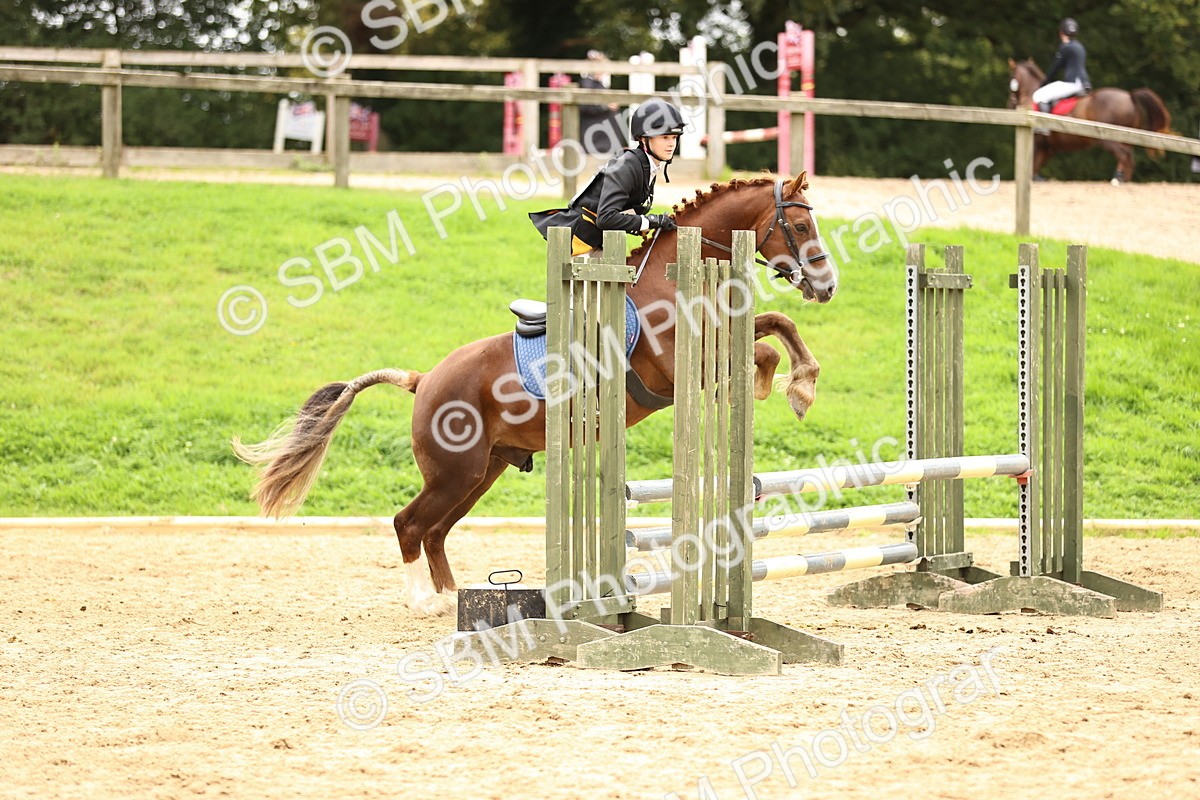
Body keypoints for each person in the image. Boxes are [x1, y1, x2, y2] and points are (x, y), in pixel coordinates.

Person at [530, 98, 684, 257]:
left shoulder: (646, 165)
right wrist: (651, 221)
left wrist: (650, 222)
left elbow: (623, 211)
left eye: (674, 137)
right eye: (665, 137)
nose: (671, 144)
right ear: (643, 139)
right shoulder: (629, 166)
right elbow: (606, 218)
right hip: (580, 244)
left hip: (599, 241)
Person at [1032, 18, 1091, 113]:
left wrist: (1043, 84)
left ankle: (1043, 126)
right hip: (1084, 83)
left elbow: (1054, 69)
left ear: (1061, 33)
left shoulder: (1065, 47)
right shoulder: (1080, 47)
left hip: (1071, 83)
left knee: (1039, 96)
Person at [578, 50, 623, 156]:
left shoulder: (598, 84)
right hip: (596, 136)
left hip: (603, 136)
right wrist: (605, 106)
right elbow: (586, 107)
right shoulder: (587, 84)